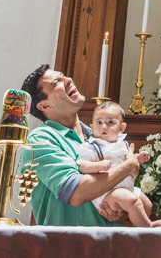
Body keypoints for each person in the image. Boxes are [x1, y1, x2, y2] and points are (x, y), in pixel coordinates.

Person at [21, 65, 143, 226]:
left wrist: (122, 211)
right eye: (57, 81)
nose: (68, 80)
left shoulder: (98, 135)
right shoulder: (40, 139)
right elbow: (76, 193)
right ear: (44, 106)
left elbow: (121, 194)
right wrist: (129, 166)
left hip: (113, 244)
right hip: (70, 246)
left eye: (64, 75)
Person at [77, 101, 161, 228]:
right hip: (106, 191)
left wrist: (137, 159)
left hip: (124, 187)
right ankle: (148, 226)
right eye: (99, 122)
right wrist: (98, 166)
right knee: (133, 202)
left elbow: (127, 162)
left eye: (110, 123)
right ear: (91, 127)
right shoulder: (91, 146)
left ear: (121, 128)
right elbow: (82, 165)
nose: (103, 127)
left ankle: (137, 231)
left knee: (147, 204)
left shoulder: (122, 144)